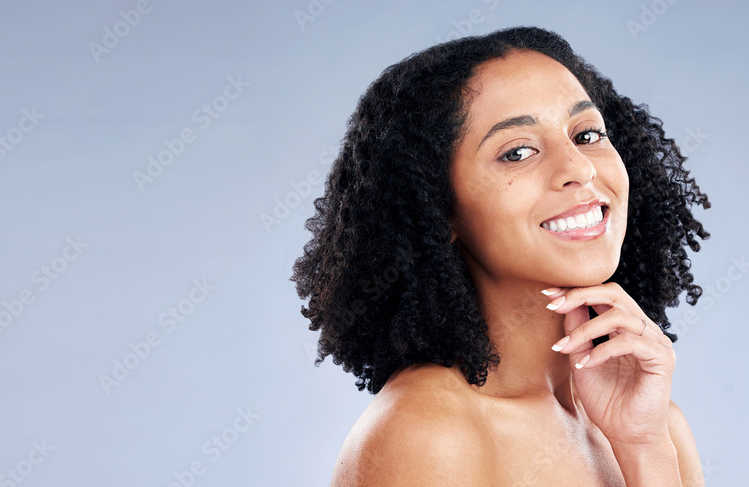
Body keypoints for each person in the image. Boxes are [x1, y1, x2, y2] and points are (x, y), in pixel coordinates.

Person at [291, 26, 710, 486]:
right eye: (518, 152)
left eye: (587, 134)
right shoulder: (428, 431)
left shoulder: (655, 425)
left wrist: (643, 451)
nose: (579, 167)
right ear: (440, 209)